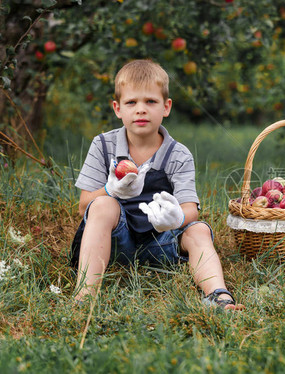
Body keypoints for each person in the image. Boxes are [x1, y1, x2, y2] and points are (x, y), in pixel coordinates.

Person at [70, 59, 243, 310]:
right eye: (131, 102)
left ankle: (218, 296)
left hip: (162, 244)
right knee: (102, 205)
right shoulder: (103, 146)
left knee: (199, 231)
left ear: (166, 107)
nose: (141, 110)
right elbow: (83, 206)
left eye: (150, 102)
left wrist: (174, 220)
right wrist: (110, 191)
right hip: (115, 242)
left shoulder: (178, 154)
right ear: (117, 108)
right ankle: (85, 297)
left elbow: (190, 209)